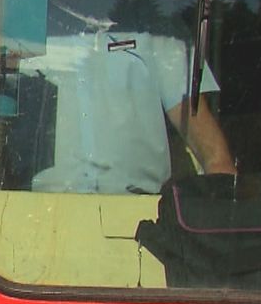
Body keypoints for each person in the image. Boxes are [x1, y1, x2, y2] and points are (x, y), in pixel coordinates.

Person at [14, 30, 236, 194]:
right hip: (41, 217)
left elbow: (215, 159)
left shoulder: (160, 37)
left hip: (141, 222)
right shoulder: (26, 34)